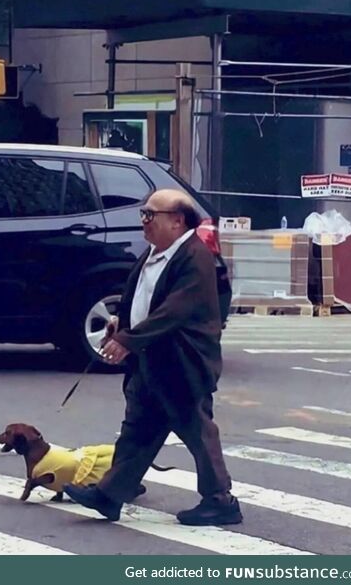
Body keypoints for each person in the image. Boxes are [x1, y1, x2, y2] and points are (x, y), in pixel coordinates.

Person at [64, 189, 242, 526]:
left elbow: (174, 311)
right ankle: (110, 494)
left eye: (150, 215)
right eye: (143, 214)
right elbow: (141, 297)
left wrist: (130, 340)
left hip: (182, 363)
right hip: (152, 359)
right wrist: (121, 322)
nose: (143, 221)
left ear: (177, 221)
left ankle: (221, 500)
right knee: (138, 429)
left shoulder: (194, 257)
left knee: (197, 430)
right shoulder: (155, 252)